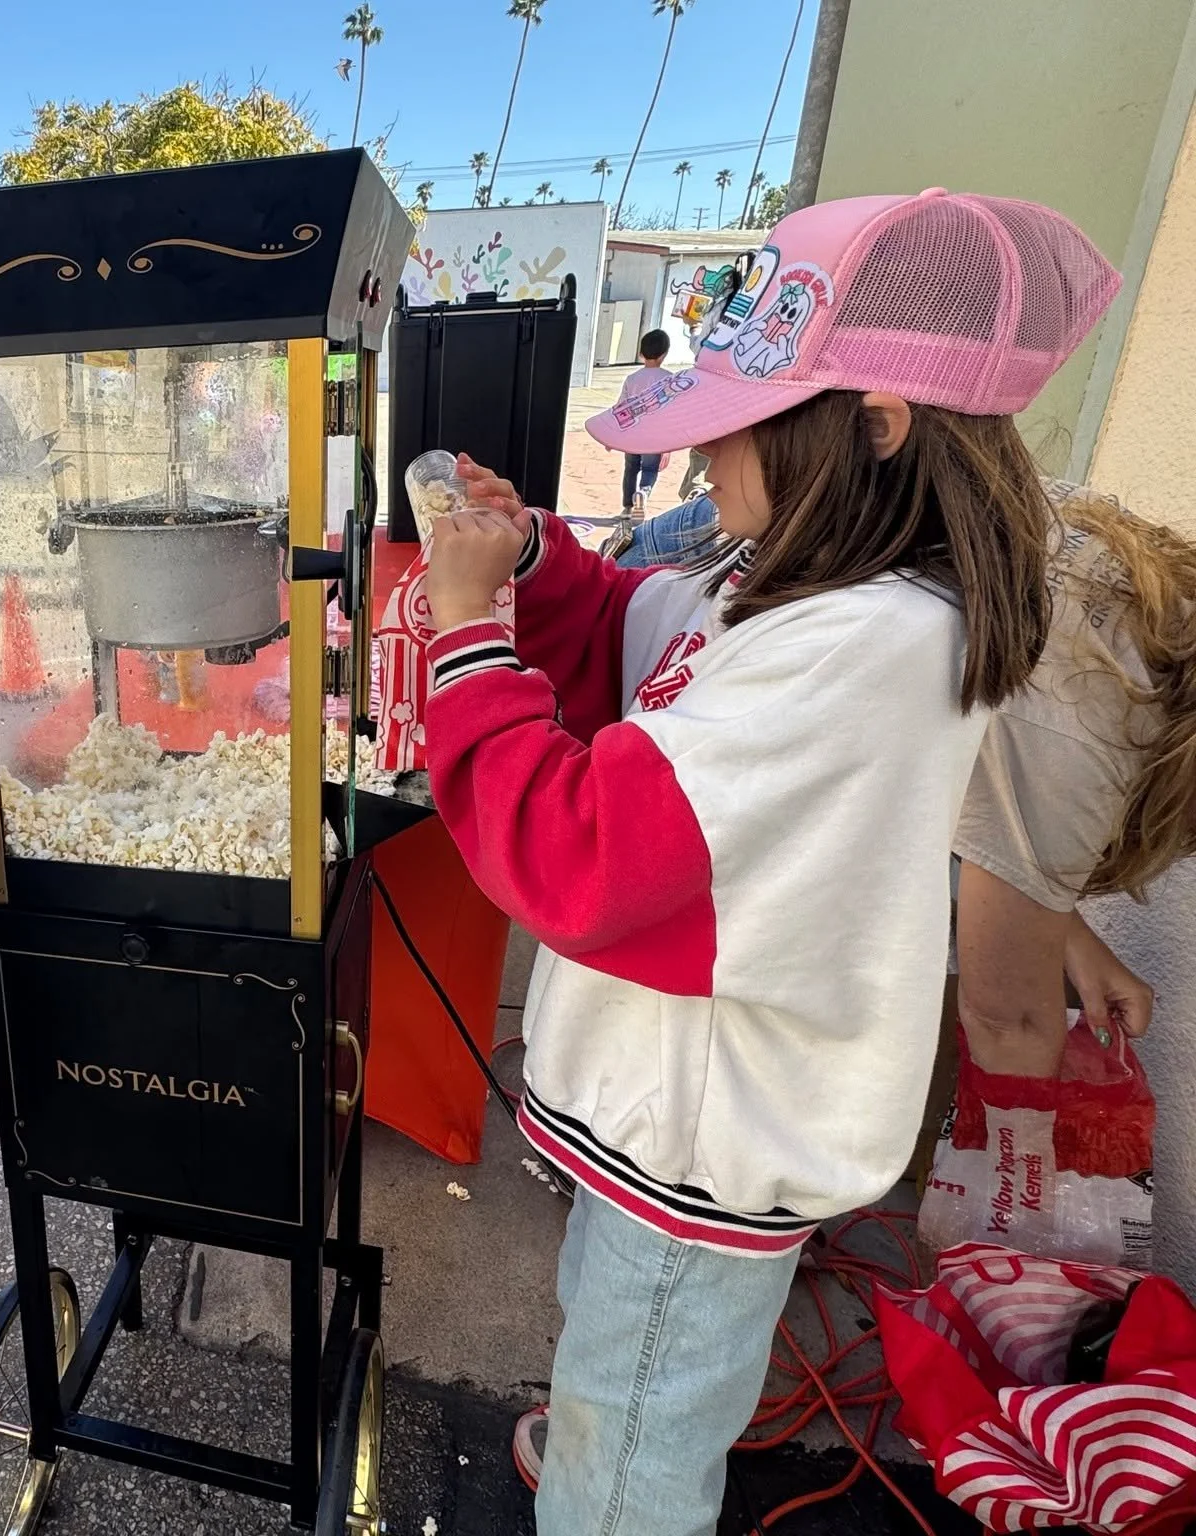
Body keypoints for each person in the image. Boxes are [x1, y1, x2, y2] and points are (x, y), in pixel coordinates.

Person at [418, 191, 1119, 1536]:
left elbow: (579, 856)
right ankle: (602, 1437)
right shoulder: (802, 590)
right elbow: (641, 626)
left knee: (640, 1420)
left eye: (740, 418)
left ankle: (612, 1491)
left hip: (706, 1146)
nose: (704, 448)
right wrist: (536, 560)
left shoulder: (866, 644)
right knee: (619, 1345)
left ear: (874, 426)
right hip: (669, 1120)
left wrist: (466, 639)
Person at [952, 483, 1196, 1074]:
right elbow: (1007, 1022)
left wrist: (1063, 934)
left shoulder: (1149, 610)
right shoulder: (1099, 727)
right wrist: (1030, 1126)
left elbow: (975, 789)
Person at [615, 330, 671, 514]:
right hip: (655, 436)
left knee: (630, 469)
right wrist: (669, 444)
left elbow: (620, 407)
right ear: (664, 354)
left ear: (641, 353)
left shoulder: (632, 379)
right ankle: (643, 493)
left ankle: (627, 508)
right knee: (650, 469)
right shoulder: (669, 379)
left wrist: (613, 434)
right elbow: (672, 412)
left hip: (632, 433)